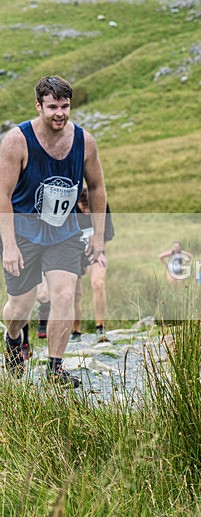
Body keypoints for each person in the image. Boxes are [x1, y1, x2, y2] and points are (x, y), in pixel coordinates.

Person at [0, 76, 107, 387]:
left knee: (63, 293)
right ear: (38, 106)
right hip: (22, 233)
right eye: (52, 107)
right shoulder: (16, 141)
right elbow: (2, 195)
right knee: (20, 306)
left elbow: (97, 187)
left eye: (65, 106)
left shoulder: (85, 142)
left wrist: (98, 236)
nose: (59, 113)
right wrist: (9, 245)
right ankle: (13, 336)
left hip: (64, 232)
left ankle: (54, 369)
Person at [70, 188, 114, 343]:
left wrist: (101, 251)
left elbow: (106, 232)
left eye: (90, 208)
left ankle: (100, 328)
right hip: (73, 251)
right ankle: (76, 331)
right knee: (75, 294)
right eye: (84, 208)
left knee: (99, 283)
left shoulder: (102, 207)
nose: (87, 211)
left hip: (94, 251)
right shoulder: (71, 206)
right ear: (78, 204)